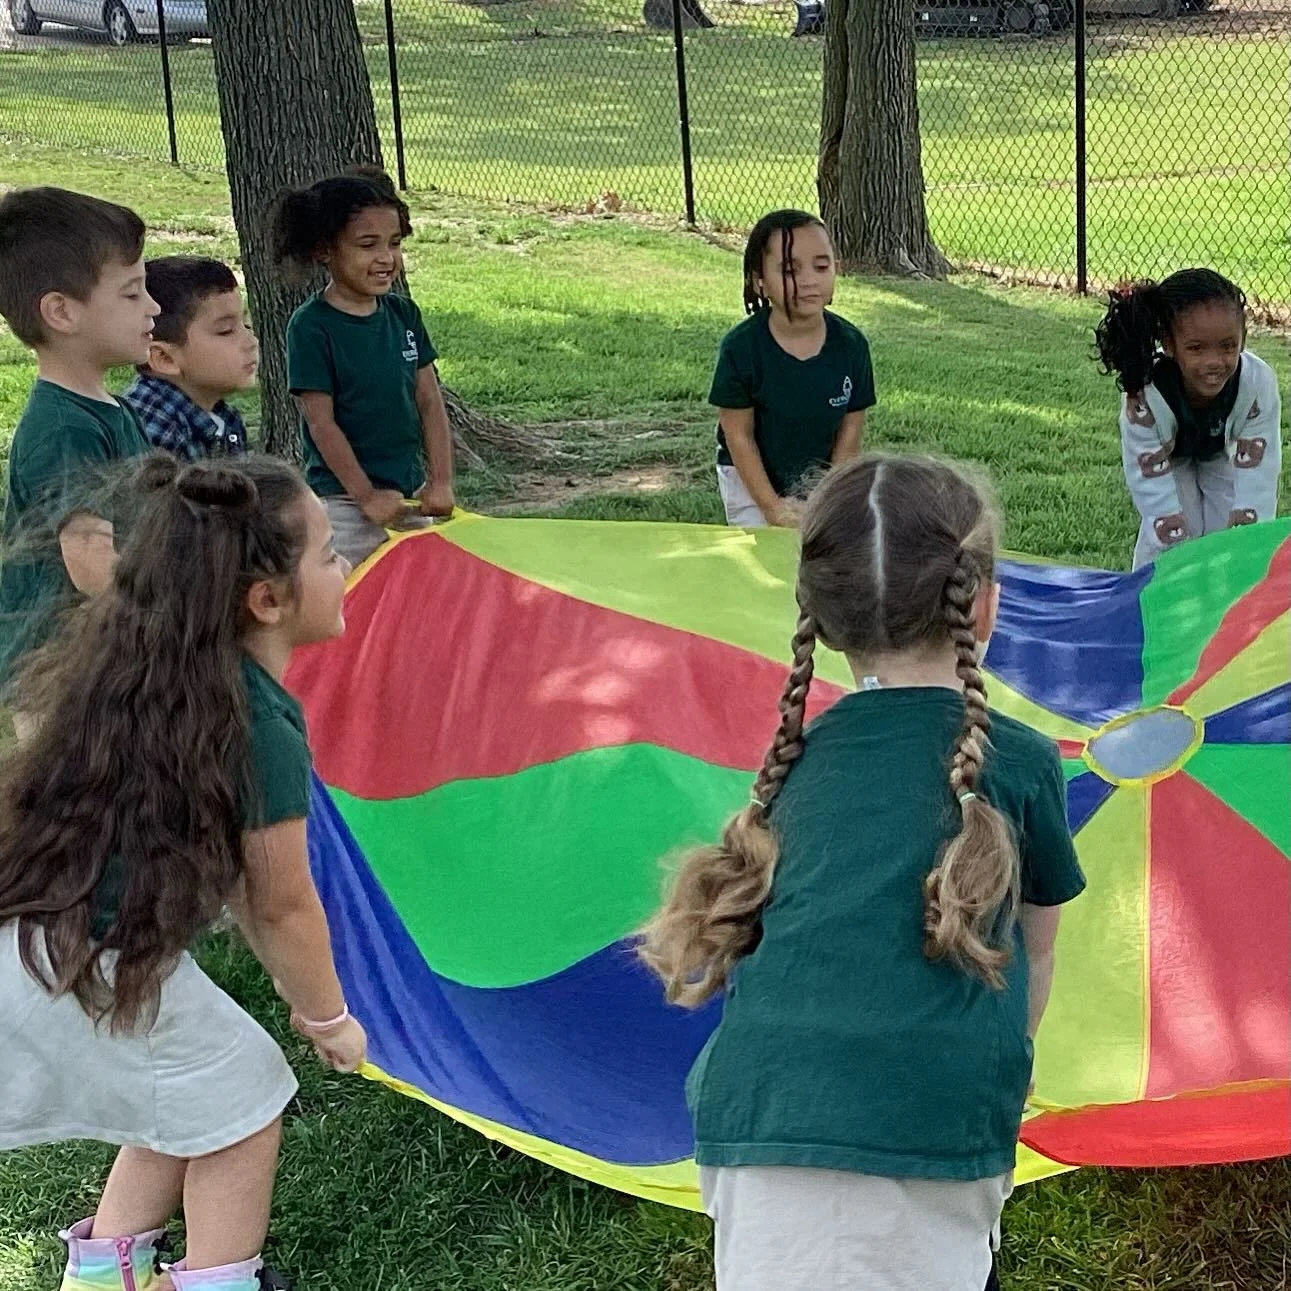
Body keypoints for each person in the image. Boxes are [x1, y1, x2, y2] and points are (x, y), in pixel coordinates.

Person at [642, 454, 1085, 1291]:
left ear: (817, 613)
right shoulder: (1019, 762)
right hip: (933, 1121)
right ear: (983, 599)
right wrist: (1003, 1068)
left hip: (757, 1117)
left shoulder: (792, 765)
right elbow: (1037, 956)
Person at [0, 455, 366, 1291]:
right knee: (246, 1108)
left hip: (39, 941)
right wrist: (326, 1015)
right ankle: (213, 1281)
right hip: (91, 962)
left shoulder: (155, 675)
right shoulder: (254, 721)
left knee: (177, 1103)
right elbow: (278, 903)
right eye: (326, 554)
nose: (342, 565)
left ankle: (102, 1278)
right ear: (267, 599)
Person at [0, 187, 155, 716]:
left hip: (99, 664)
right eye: (132, 294)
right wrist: (177, 618)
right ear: (62, 312)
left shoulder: (110, 409)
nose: (153, 308)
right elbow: (90, 563)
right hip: (58, 680)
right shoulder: (64, 428)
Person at [272, 166, 455, 567]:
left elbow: (429, 401)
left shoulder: (404, 314)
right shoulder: (311, 326)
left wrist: (440, 481)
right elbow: (322, 424)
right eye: (367, 245)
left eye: (393, 244)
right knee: (345, 598)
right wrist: (366, 496)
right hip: (345, 503)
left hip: (409, 497)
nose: (386, 259)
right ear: (325, 250)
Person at [1095, 268, 1281, 569]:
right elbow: (1150, 481)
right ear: (1169, 344)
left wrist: (1249, 552)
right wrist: (1176, 555)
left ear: (1243, 338)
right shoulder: (1144, 394)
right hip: (1167, 460)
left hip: (1219, 453)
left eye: (1228, 346)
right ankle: (1152, 598)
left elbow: (1259, 474)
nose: (1214, 362)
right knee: (1176, 531)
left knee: (1231, 524)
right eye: (1196, 348)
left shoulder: (1257, 384)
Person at [709, 209, 875, 528]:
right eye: (789, 270)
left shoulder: (852, 345)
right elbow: (738, 434)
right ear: (759, 281)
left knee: (821, 559)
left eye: (821, 266)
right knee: (764, 561)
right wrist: (772, 508)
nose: (810, 280)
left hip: (822, 478)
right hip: (749, 478)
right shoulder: (740, 349)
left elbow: (850, 429)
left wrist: (829, 497)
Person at [121, 256, 258, 460]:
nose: (251, 341)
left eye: (246, 325)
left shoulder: (225, 418)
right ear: (165, 358)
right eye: (226, 331)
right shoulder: (150, 433)